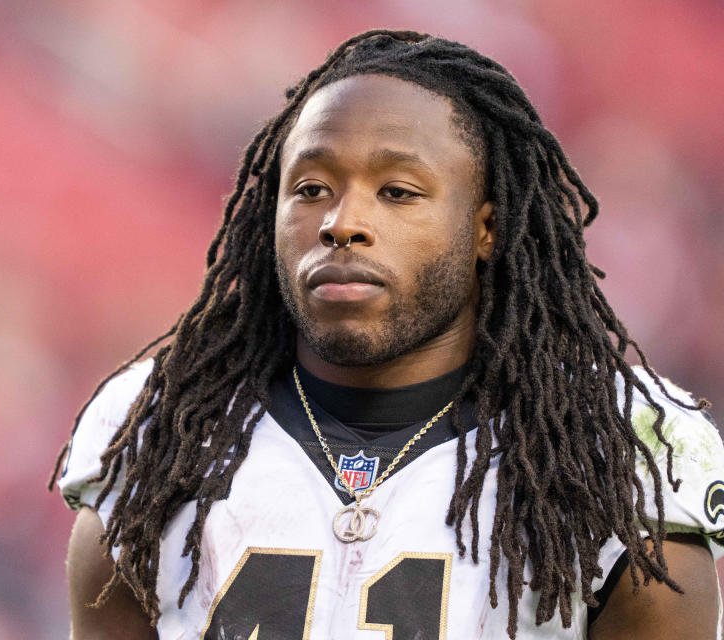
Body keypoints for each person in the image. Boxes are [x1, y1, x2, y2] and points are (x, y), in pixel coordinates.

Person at [49, 30, 724, 639]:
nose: (343, 222)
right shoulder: (161, 430)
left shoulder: (622, 450)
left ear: (487, 226)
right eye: (311, 187)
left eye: (397, 191)